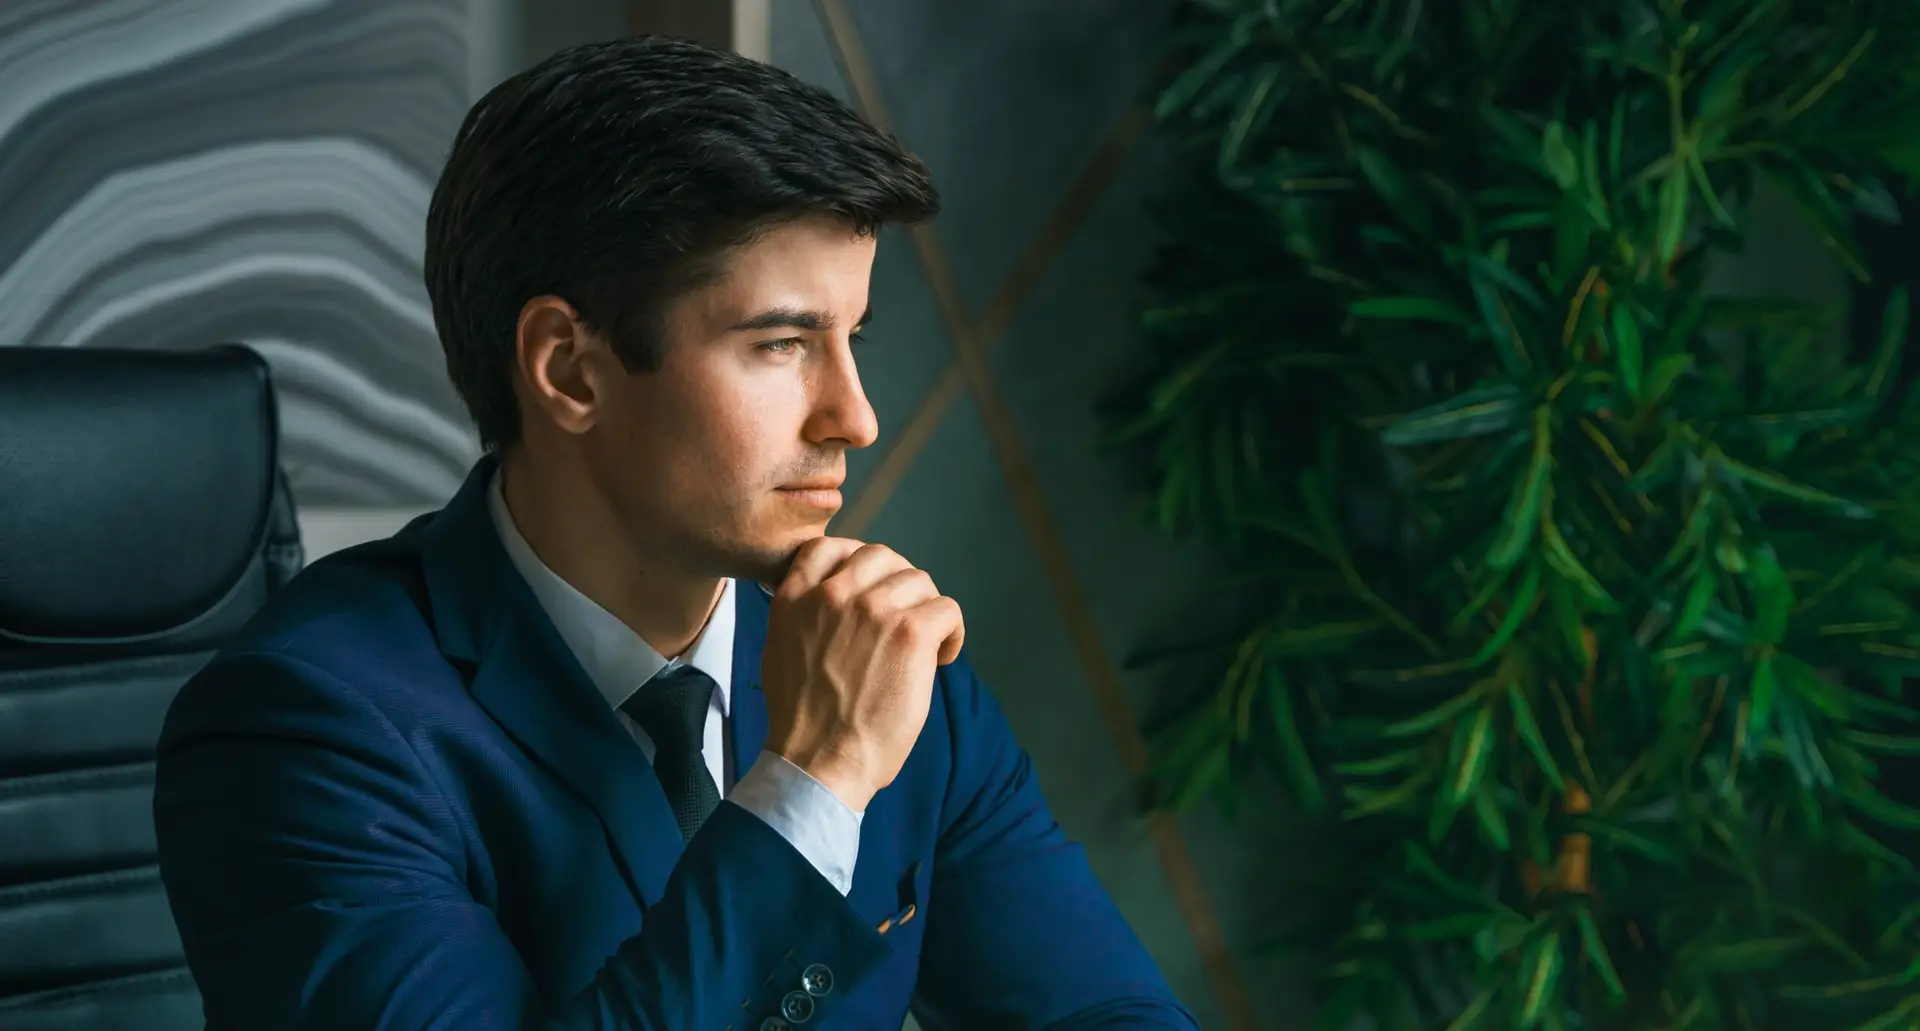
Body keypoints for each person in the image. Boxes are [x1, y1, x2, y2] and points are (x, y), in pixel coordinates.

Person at [152, 34, 1197, 1031]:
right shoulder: (308, 727)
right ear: (569, 368)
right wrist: (816, 778)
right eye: (783, 343)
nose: (856, 417)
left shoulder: (896, 671)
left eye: (852, 339)